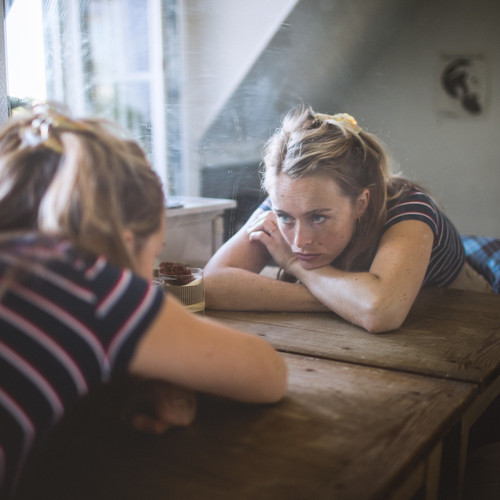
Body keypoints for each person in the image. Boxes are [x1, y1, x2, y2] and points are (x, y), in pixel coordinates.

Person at [0, 104, 287, 499]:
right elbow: (267, 374)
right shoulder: (86, 283)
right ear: (126, 239)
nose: (150, 271)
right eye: (152, 255)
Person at [204, 105, 491, 333]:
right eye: (285, 218)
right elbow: (211, 284)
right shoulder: (292, 196)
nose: (299, 240)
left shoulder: (409, 209)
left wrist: (297, 268)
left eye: (318, 217)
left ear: (361, 203)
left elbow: (379, 312)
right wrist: (343, 300)